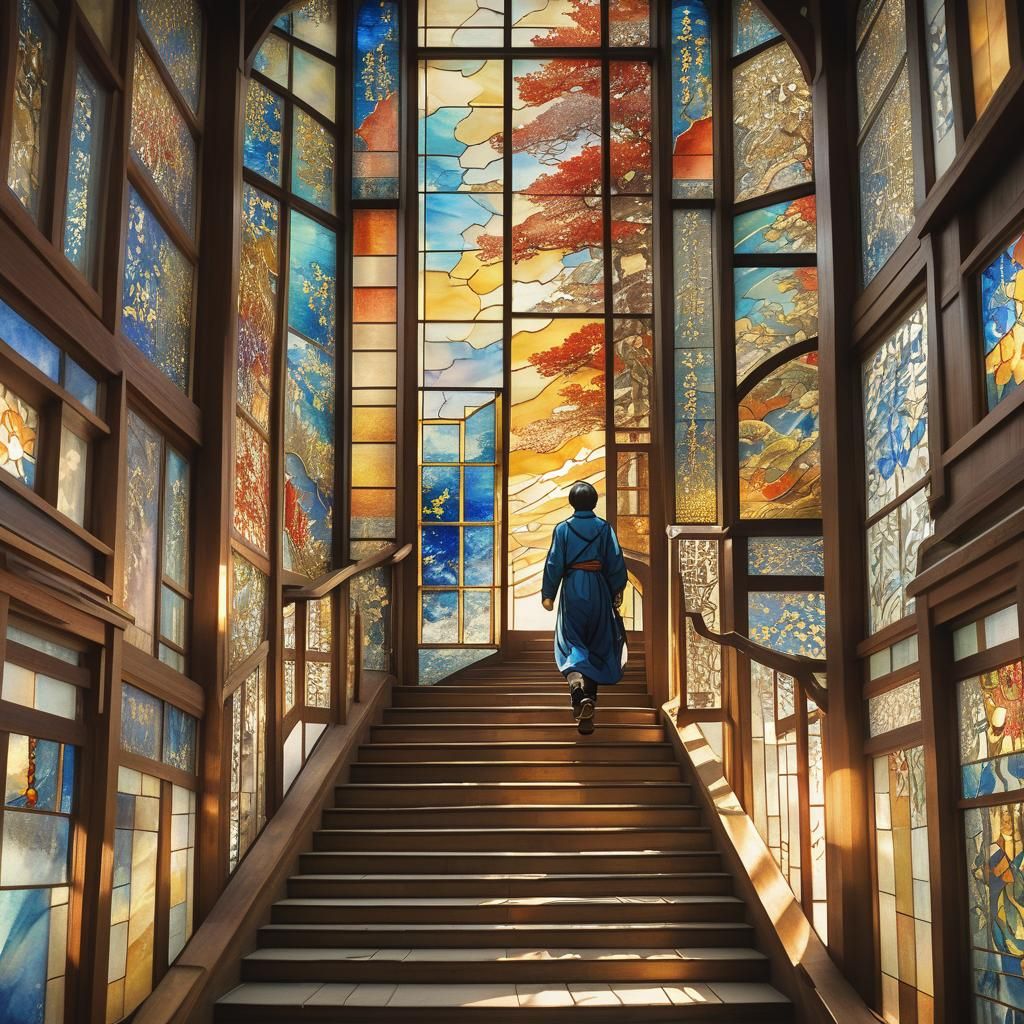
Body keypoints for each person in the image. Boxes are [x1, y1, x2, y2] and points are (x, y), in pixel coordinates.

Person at [541, 481, 628, 734]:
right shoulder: (604, 528)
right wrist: (616, 591)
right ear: (593, 502)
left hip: (573, 590)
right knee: (597, 644)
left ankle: (577, 687)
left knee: (572, 641)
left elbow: (554, 562)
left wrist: (549, 594)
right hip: (599, 588)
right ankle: (589, 704)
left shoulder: (563, 529)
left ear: (571, 502)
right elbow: (615, 561)